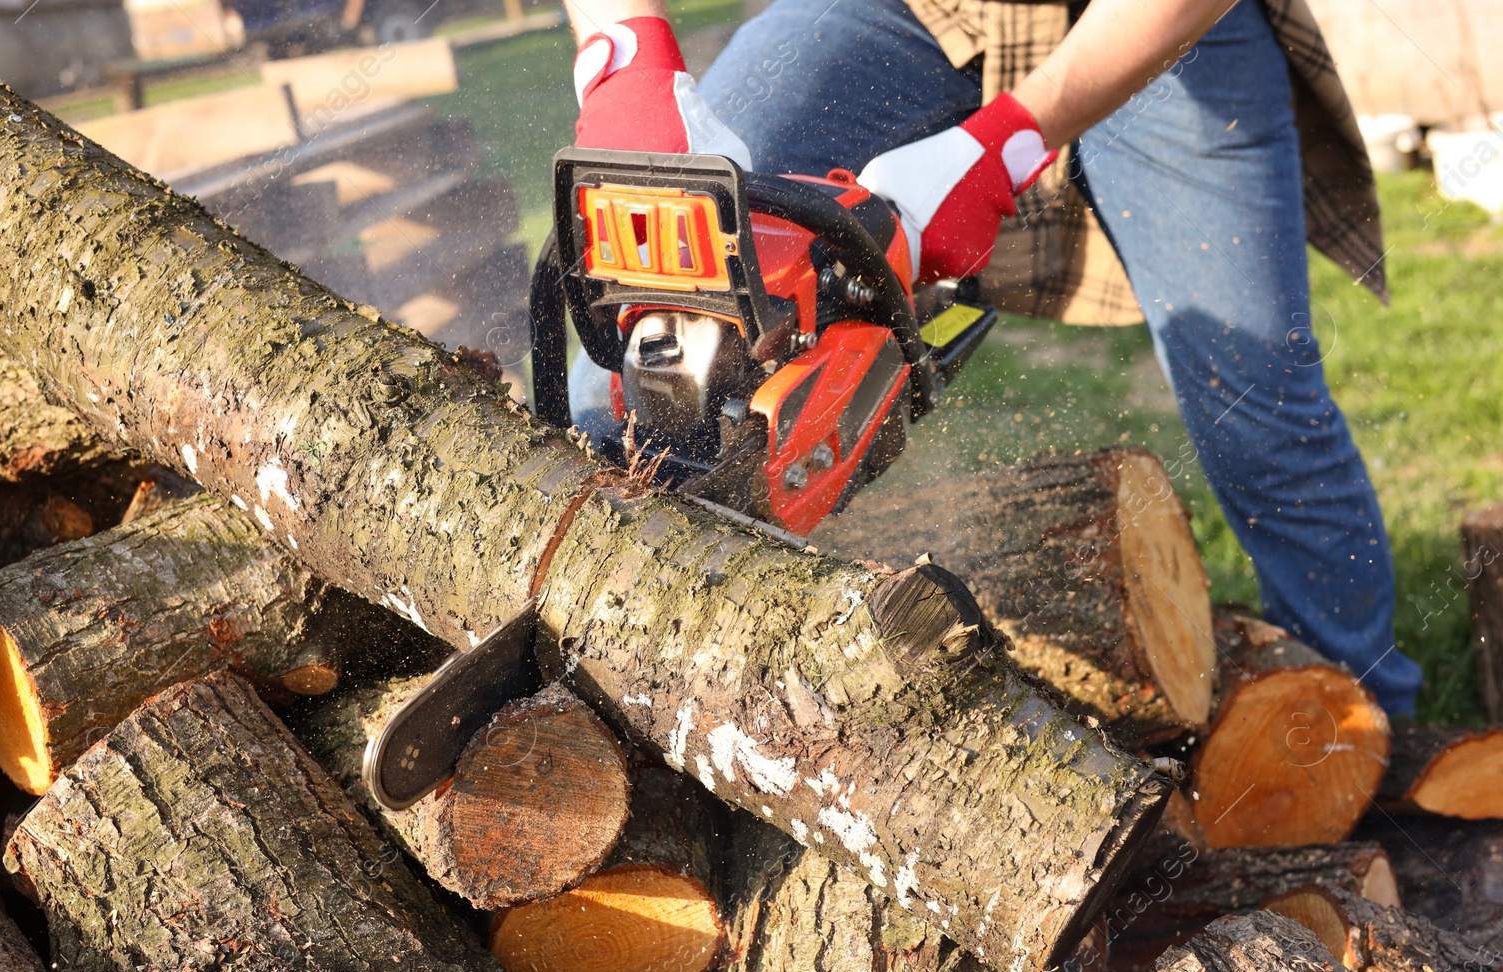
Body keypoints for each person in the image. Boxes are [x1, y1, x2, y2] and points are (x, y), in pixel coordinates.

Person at [561, 0, 1424, 715]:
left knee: (1257, 403)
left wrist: (1010, 140)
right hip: (897, 11)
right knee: (644, 346)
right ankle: (650, 713)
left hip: (1161, 30)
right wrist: (623, 51)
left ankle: (1354, 718)